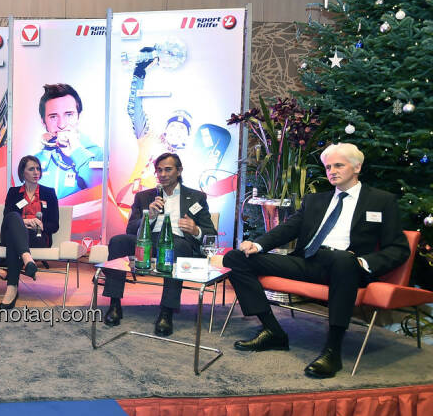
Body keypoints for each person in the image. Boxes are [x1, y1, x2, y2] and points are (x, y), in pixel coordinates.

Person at [222, 143, 409, 378]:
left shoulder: (381, 201)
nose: (332, 171)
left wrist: (363, 262)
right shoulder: (316, 200)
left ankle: (333, 350)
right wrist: (257, 245)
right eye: (328, 166)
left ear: (357, 167)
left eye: (338, 165)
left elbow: (399, 248)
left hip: (347, 266)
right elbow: (288, 229)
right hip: (308, 261)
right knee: (236, 257)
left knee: (343, 260)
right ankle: (272, 331)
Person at [101, 152, 216, 336]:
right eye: (159, 170)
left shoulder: (196, 197)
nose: (162, 174)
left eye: (168, 169)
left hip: (178, 242)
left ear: (179, 171)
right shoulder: (144, 197)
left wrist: (195, 230)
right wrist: (149, 216)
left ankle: (166, 312)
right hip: (148, 240)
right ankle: (115, 304)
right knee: (118, 241)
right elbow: (131, 229)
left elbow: (211, 233)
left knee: (174, 248)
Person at [0, 156, 59, 309]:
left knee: (14, 240)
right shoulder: (13, 192)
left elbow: (55, 225)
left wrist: (40, 225)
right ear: (22, 172)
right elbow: (8, 217)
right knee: (13, 218)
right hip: (16, 233)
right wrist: (24, 222)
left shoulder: (49, 193)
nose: (36, 172)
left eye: (38, 168)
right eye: (31, 169)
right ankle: (27, 258)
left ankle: (12, 289)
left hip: (37, 237)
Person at [32, 84, 103, 197]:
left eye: (69, 114)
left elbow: (103, 195)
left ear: (78, 117)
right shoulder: (36, 160)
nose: (62, 124)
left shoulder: (98, 154)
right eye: (53, 117)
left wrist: (76, 152)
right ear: (43, 121)